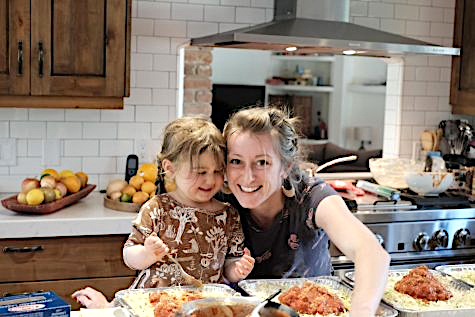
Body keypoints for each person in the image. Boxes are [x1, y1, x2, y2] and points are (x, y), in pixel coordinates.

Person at [221, 106, 390, 317]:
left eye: (262, 162)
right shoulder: (220, 201)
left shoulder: (312, 195)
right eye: (236, 161)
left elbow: (371, 252)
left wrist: (362, 312)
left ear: (286, 167)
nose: (247, 177)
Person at [72, 117, 254, 308]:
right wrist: (147, 253)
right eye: (200, 172)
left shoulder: (229, 215)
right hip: (152, 304)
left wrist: (238, 269)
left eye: (218, 171)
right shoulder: (157, 208)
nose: (210, 180)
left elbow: (228, 267)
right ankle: (104, 306)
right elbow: (129, 254)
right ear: (170, 169)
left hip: (202, 305)